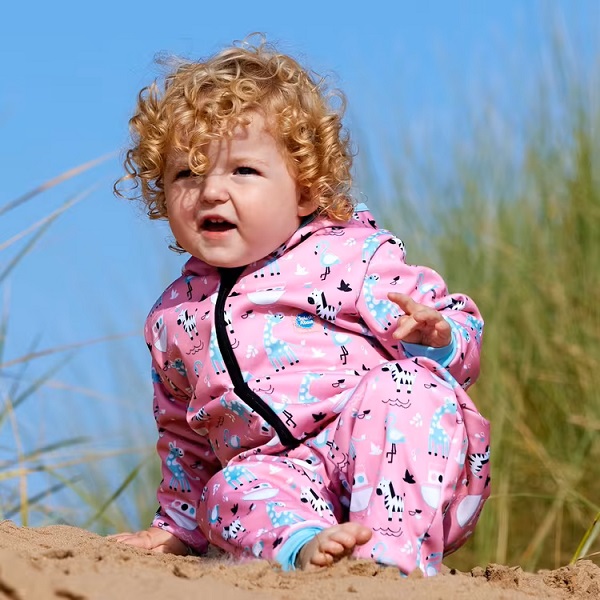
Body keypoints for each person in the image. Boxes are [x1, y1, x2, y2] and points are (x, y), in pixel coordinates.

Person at [110, 36, 490, 575]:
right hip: (282, 480)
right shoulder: (173, 320)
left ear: (305, 190)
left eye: (242, 170)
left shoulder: (350, 256)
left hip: (393, 457)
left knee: (408, 387)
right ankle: (306, 550)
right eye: (186, 173)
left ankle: (389, 557)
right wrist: (175, 526)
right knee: (229, 487)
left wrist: (438, 334)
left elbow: (459, 331)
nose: (212, 191)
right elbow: (182, 435)